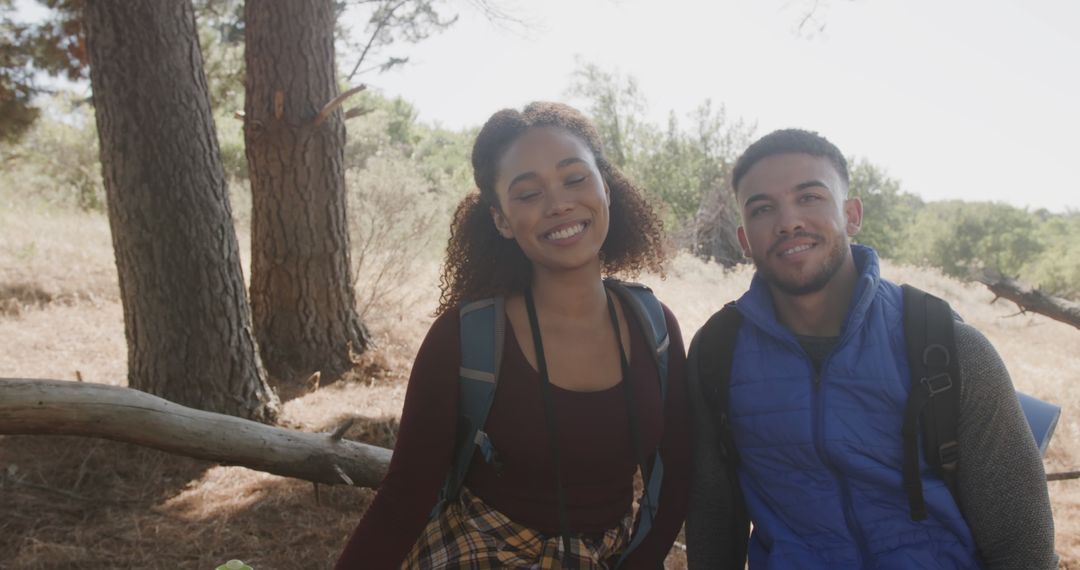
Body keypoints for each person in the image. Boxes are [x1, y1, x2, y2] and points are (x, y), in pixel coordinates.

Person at [336, 101, 691, 569]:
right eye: (528, 193)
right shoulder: (464, 339)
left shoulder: (655, 327)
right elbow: (404, 497)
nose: (559, 203)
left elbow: (679, 475)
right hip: (485, 553)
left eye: (575, 178)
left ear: (606, 185)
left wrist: (642, 561)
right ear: (501, 219)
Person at [685, 129, 1057, 569]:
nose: (788, 222)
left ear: (851, 214)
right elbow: (712, 516)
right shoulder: (718, 351)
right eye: (763, 208)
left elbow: (1022, 544)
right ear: (746, 239)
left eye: (809, 197)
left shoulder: (945, 345)